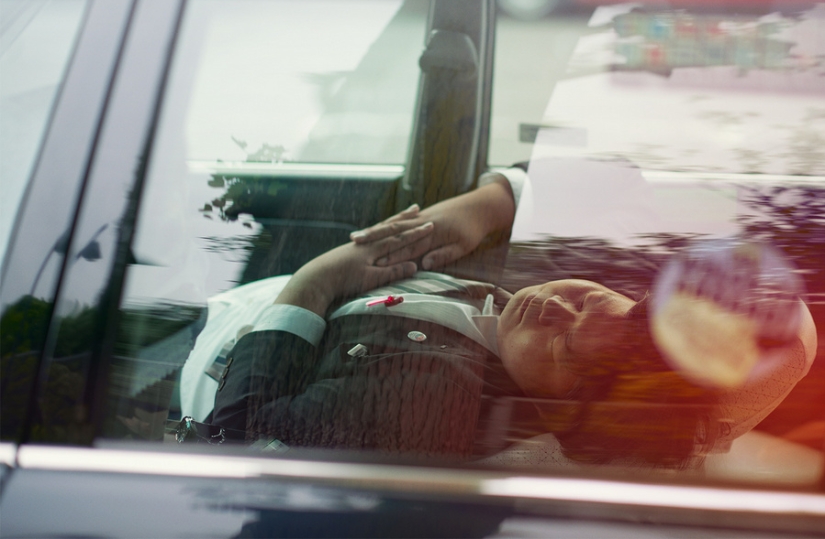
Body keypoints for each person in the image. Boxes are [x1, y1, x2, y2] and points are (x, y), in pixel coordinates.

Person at [199, 169, 815, 468]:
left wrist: (319, 280)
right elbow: (612, 178)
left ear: (565, 416)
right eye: (594, 300)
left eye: (568, 354)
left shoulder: (429, 409)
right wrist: (485, 207)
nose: (557, 310)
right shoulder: (583, 315)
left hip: (209, 346)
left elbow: (232, 449)